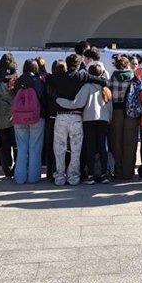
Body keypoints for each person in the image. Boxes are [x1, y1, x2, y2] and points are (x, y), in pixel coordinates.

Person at [58, 62, 112, 184]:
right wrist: (109, 119)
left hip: (89, 119)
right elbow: (110, 107)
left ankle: (91, 175)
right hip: (104, 119)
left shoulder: (87, 86)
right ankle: (104, 175)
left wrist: (60, 101)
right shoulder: (106, 88)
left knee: (90, 147)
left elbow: (78, 103)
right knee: (102, 147)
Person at [48, 54, 88, 186]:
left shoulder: (58, 77)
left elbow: (47, 78)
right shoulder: (81, 77)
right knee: (76, 149)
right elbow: (100, 80)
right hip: (76, 116)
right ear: (78, 65)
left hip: (61, 116)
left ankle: (59, 176)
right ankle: (73, 177)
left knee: (59, 148)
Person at [12, 59, 47, 185]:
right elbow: (43, 99)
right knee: (35, 148)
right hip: (37, 117)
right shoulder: (39, 81)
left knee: (21, 148)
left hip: (19, 117)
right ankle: (33, 177)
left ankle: (19, 178)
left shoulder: (18, 81)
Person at [108, 55, 139, 180]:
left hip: (116, 111)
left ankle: (118, 171)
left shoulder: (112, 77)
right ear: (127, 65)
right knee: (130, 142)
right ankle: (128, 172)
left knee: (116, 141)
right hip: (130, 112)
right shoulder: (133, 76)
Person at [0, 63, 17, 179]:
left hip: (0, 122)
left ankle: (7, 172)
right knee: (16, 147)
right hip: (14, 122)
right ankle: (17, 169)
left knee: (4, 148)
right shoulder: (15, 87)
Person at [44, 60, 65, 182]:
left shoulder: (48, 81)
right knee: (61, 146)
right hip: (61, 115)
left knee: (50, 145)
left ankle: (49, 172)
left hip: (50, 117)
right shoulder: (64, 81)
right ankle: (59, 170)